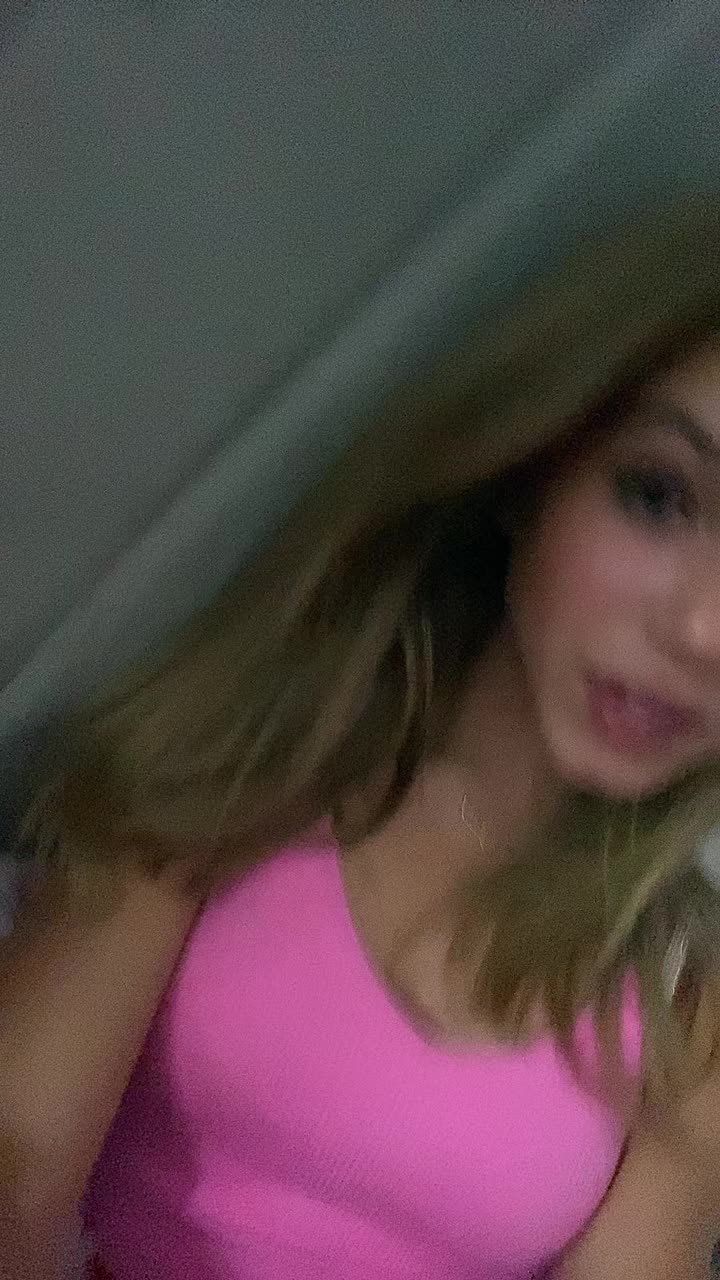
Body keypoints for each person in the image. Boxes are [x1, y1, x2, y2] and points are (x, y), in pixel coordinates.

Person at [3, 204, 720, 1280]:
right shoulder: (247, 758)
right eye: (659, 496)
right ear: (537, 470)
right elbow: (16, 1163)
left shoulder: (685, 999)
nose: (705, 630)